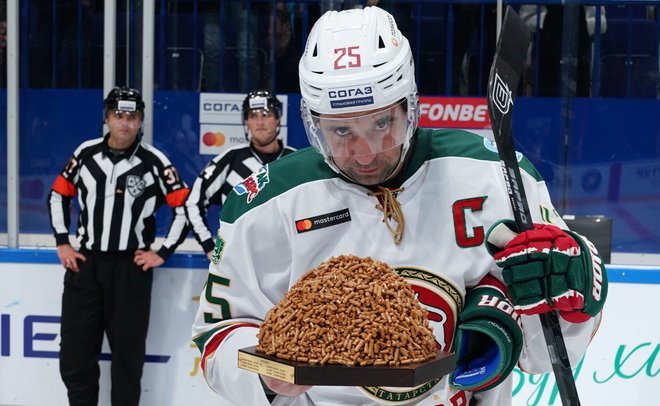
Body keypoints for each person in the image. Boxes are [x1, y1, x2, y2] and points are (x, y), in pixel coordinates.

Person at [192, 7, 607, 405]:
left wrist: (574, 304)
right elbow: (216, 337)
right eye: (340, 131)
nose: (365, 152)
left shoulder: (493, 176)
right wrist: (265, 375)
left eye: (381, 123)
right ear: (313, 122)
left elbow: (544, 353)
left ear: (410, 106)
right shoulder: (266, 205)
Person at [48, 86, 190, 406]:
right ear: (107, 118)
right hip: (85, 266)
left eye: (133, 116)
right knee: (75, 353)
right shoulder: (85, 154)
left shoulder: (154, 161)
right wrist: (62, 241)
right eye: (119, 115)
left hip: (130, 269)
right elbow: (58, 194)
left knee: (128, 358)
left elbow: (185, 206)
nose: (125, 122)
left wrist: (163, 252)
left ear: (141, 121)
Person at [184, 89, 295, 260]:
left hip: (287, 261)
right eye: (253, 116)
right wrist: (209, 246)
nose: (260, 122)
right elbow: (193, 202)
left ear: (278, 119)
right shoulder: (230, 159)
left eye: (266, 115)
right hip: (237, 262)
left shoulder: (294, 161)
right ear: (246, 122)